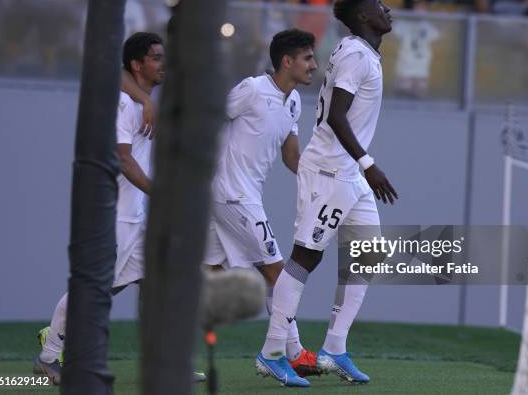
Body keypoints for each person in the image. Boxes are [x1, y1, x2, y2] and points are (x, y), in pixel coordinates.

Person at [257, 0, 398, 387]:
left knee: (368, 254)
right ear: (362, 18)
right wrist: (369, 164)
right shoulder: (355, 54)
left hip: (348, 174)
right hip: (330, 171)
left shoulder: (360, 51)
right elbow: (337, 115)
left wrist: (361, 169)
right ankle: (270, 353)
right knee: (306, 258)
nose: (386, 9)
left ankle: (334, 347)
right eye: (378, 5)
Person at [31, 32, 189, 384]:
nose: (163, 64)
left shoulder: (141, 101)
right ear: (137, 64)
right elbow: (123, 160)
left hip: (137, 216)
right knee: (93, 288)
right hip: (116, 217)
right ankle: (48, 354)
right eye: (156, 58)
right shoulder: (123, 104)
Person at [205, 29, 319, 382]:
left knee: (207, 278)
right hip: (232, 195)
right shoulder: (252, 89)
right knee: (278, 273)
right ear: (287, 61)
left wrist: (319, 184)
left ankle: (162, 347)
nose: (314, 65)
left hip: (235, 196)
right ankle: (289, 353)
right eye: (308, 58)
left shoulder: (294, 101)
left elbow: (291, 155)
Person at [393, 0, 440, 98]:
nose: (425, 8)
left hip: (422, 70)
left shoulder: (427, 25)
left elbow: (438, 34)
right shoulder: (401, 25)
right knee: (402, 93)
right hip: (404, 70)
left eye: (425, 5)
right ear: (409, 6)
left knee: (419, 95)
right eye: (420, 5)